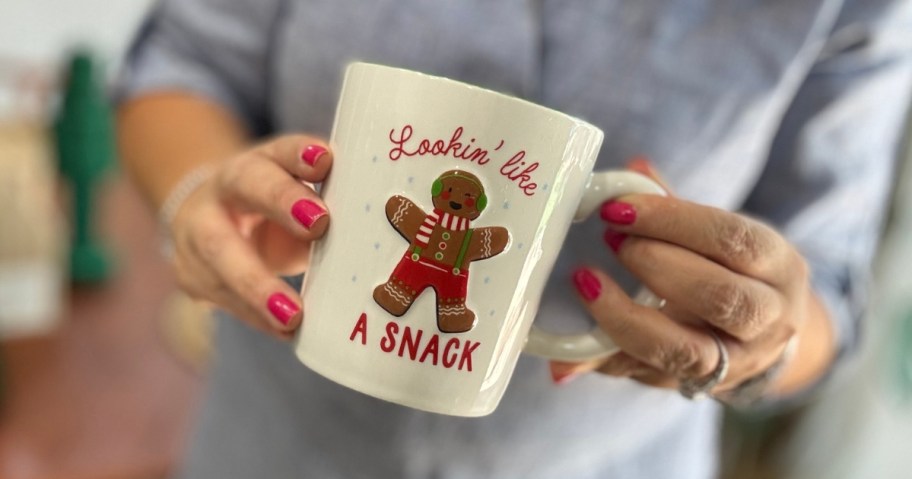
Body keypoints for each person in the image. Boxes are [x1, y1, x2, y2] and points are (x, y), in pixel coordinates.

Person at [116, 1, 912, 477]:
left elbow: (828, 284)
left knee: (446, 283)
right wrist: (201, 194)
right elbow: (184, 61)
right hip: (278, 440)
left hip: (610, 461)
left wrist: (759, 333)